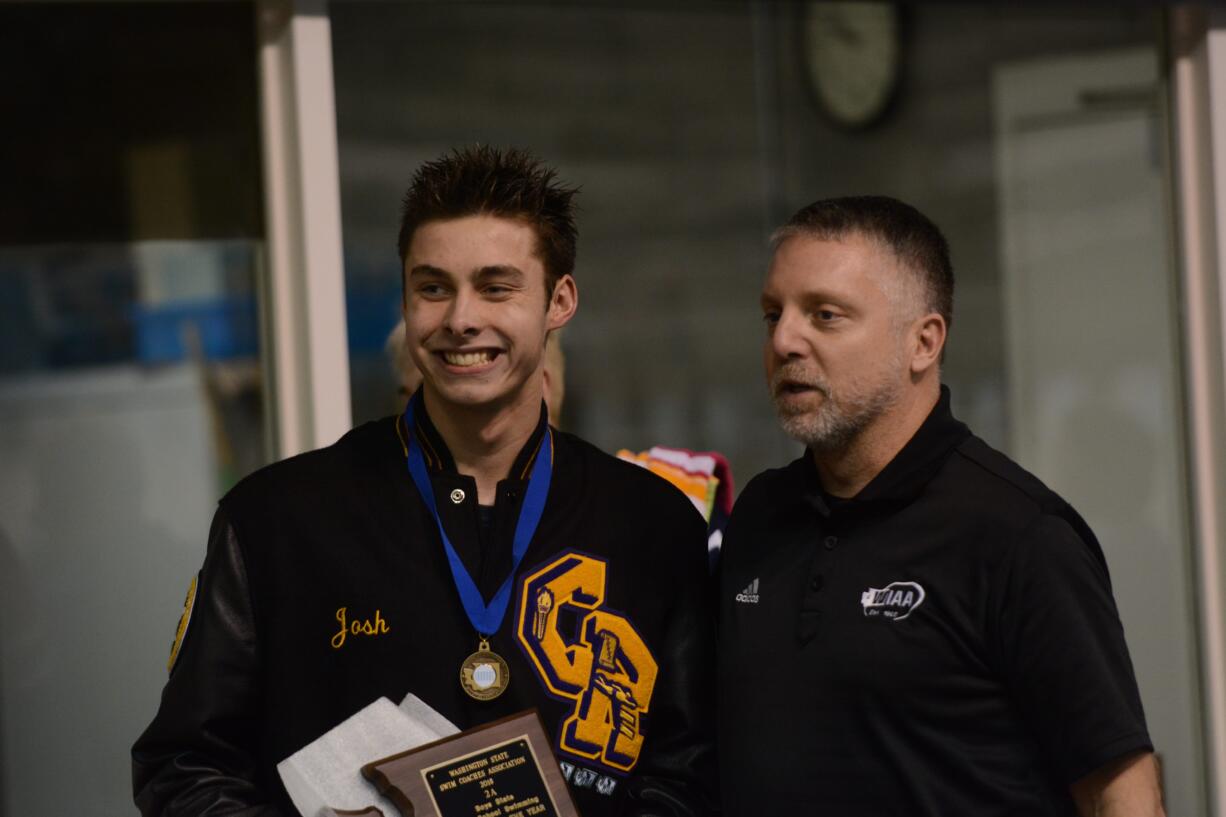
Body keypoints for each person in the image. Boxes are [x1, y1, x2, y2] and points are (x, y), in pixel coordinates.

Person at [133, 146, 716, 816]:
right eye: (433, 287)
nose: (461, 318)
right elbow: (182, 768)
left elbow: (690, 774)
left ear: (560, 300)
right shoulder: (276, 519)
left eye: (496, 287)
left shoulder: (653, 524)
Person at [717, 195, 1164, 816]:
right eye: (773, 315)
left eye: (825, 315)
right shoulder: (762, 514)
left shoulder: (1018, 535)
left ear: (922, 343)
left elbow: (1123, 798)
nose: (785, 340)